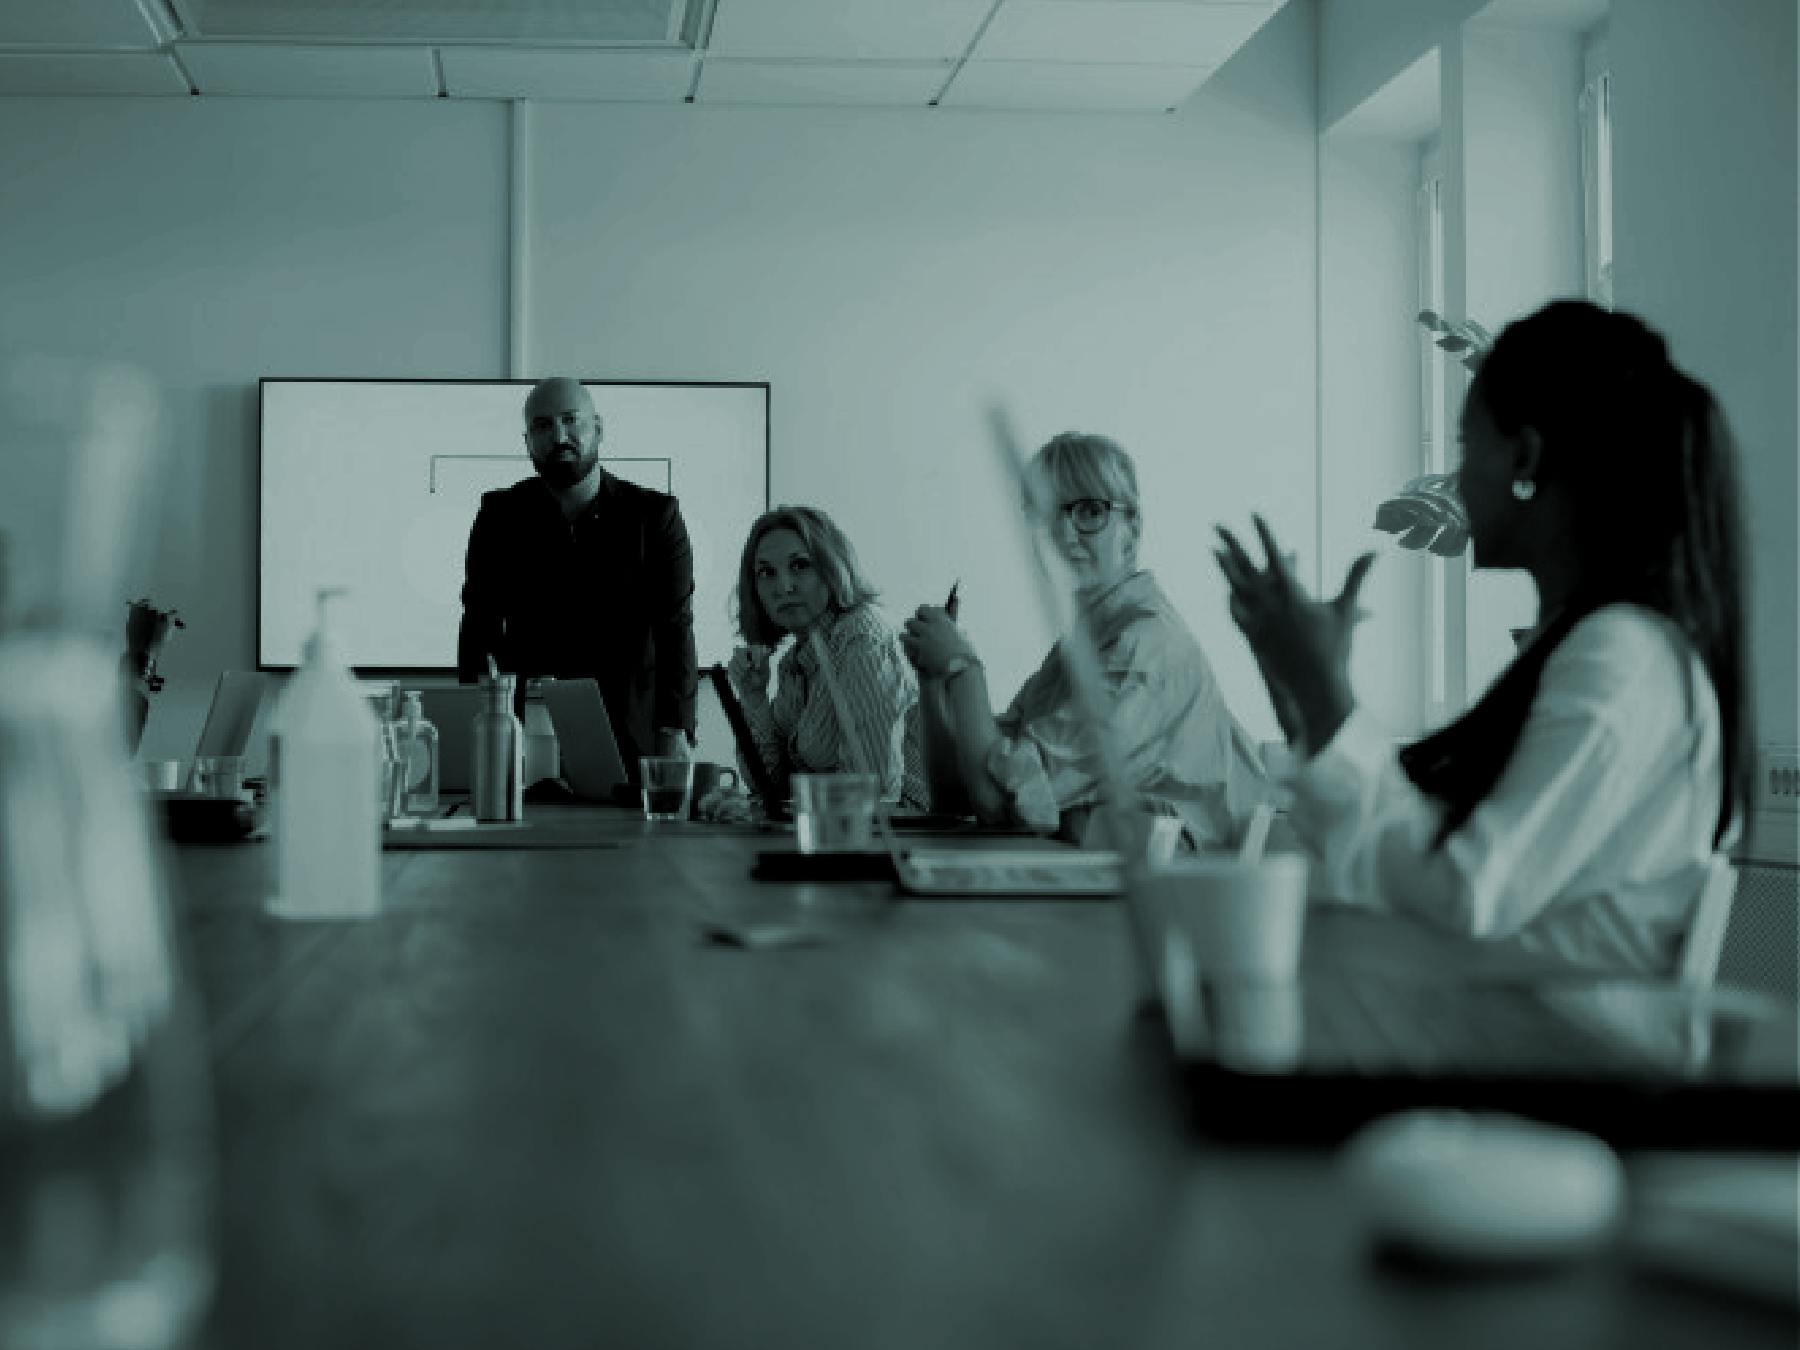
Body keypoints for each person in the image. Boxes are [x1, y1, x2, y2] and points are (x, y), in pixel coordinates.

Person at [1215, 300, 1752, 976]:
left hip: (1546, 1060)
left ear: (1525, 455)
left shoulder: (1622, 657)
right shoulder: (1589, 643)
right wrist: (1303, 693)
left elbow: (1464, 893)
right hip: (1493, 1032)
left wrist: (1328, 697)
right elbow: (1396, 855)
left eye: (1467, 447)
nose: (1456, 479)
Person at [901, 432, 1269, 848]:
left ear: (1133, 530)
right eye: (1044, 514)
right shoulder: (1080, 646)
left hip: (1178, 900)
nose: (1063, 534)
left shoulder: (1144, 646)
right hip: (1109, 887)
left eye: (1090, 511)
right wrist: (934, 681)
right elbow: (958, 796)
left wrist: (964, 670)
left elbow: (998, 805)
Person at [458, 377, 697, 770]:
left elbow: (675, 630)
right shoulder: (500, 515)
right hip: (525, 748)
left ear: (598, 429)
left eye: (571, 420)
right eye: (542, 425)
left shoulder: (655, 517)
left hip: (631, 740)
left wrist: (676, 731)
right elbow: (477, 629)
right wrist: (478, 730)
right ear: (528, 441)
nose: (559, 435)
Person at [726, 506, 926, 808]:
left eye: (800, 565)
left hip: (903, 839)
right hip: (836, 833)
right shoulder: (794, 662)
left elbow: (873, 790)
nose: (783, 587)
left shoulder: (861, 639)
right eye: (766, 572)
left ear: (832, 566)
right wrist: (753, 697)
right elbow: (767, 783)